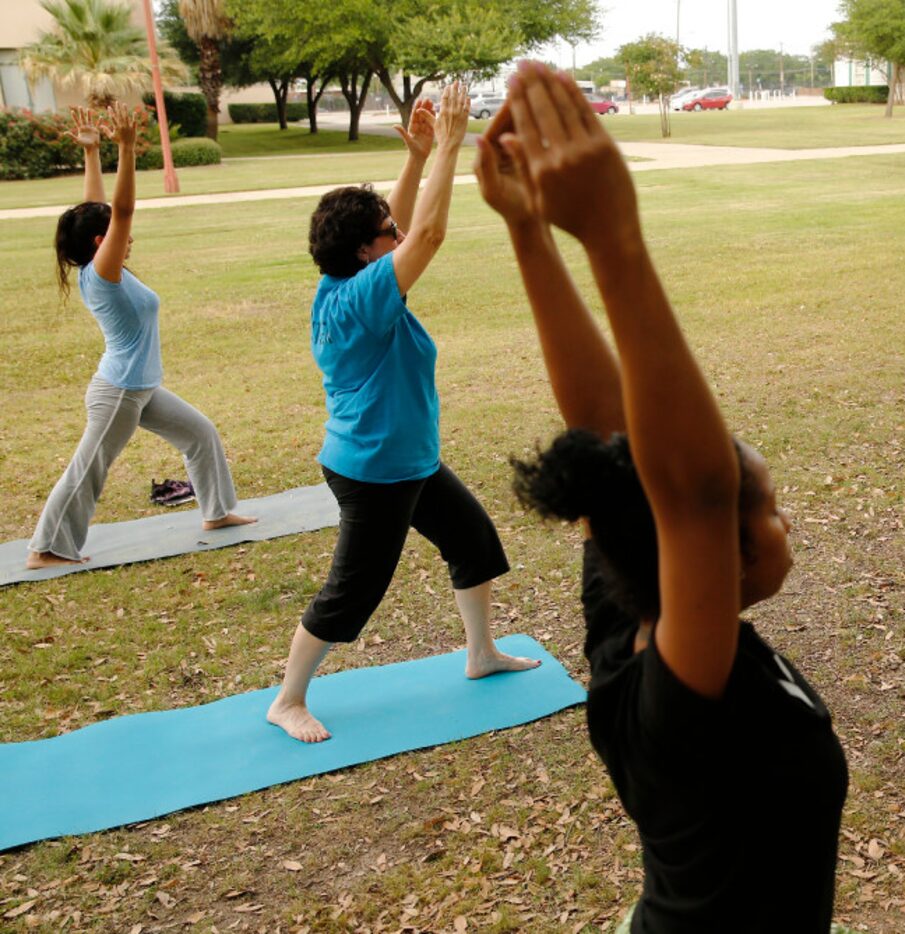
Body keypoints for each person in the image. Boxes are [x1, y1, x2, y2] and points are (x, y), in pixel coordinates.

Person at [479, 63, 849, 932]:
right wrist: (613, 239)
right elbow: (690, 491)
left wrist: (530, 233)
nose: (785, 522)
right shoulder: (679, 697)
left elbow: (616, 440)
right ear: (718, 552)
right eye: (767, 509)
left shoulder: (628, 611)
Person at [266, 85, 537, 744]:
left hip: (406, 459)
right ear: (367, 250)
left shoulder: (352, 281)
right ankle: (287, 700)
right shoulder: (361, 301)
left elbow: (407, 225)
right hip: (375, 470)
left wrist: (416, 160)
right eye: (388, 232)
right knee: (351, 593)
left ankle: (480, 655)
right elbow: (432, 232)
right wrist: (448, 145)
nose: (400, 234)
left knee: (473, 544)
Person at [28, 105, 254, 570]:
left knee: (199, 434)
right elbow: (121, 210)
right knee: (89, 467)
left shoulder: (99, 267)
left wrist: (92, 153)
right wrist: (126, 149)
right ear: (100, 242)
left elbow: (97, 211)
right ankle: (46, 548)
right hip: (120, 393)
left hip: (141, 387)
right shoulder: (104, 273)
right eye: (113, 232)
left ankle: (216, 512)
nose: (126, 236)